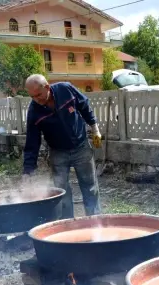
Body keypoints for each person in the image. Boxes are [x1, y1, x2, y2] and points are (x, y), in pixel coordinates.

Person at [22, 74, 102, 219]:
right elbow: (32, 142)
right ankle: (67, 226)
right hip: (58, 153)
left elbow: (84, 105)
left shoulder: (65, 89)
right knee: (62, 192)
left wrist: (95, 128)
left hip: (81, 147)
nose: (36, 99)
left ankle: (95, 222)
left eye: (38, 95)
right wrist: (28, 171)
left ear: (47, 87)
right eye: (32, 96)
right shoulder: (34, 111)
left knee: (90, 188)